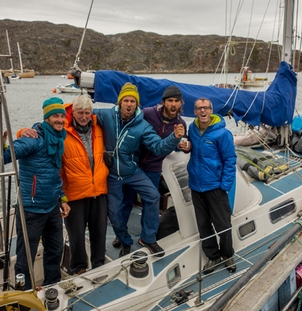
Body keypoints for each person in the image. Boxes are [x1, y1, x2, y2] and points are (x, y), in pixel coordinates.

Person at [18, 95, 109, 275]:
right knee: (76, 236)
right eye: (80, 113)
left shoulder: (99, 126)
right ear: (72, 113)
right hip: (74, 191)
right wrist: (21, 132)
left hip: (98, 189)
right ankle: (79, 268)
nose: (84, 116)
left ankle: (99, 266)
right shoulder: (61, 130)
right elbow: (40, 130)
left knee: (100, 232)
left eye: (87, 113)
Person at [94, 82, 185, 257]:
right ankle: (124, 239)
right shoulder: (107, 115)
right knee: (116, 211)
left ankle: (148, 238)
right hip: (114, 174)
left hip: (139, 170)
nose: (129, 104)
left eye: (133, 101)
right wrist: (42, 127)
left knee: (152, 197)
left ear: (137, 104)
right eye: (126, 100)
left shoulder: (144, 124)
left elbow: (159, 147)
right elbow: (81, 115)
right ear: (120, 102)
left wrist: (176, 138)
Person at [0, 97, 71, 289]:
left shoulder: (59, 139)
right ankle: (22, 293)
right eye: (55, 116)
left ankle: (52, 287)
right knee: (25, 258)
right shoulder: (33, 139)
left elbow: (54, 173)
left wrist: (62, 198)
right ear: (47, 118)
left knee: (55, 251)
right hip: (31, 210)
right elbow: (4, 158)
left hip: (52, 207)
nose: (59, 119)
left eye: (62, 116)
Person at [183, 97, 237, 274]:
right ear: (195, 112)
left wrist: (224, 186)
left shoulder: (222, 134)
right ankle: (213, 256)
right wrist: (185, 146)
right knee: (203, 225)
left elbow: (230, 160)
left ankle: (228, 255)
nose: (203, 111)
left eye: (206, 108)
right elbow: (192, 148)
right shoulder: (192, 128)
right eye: (199, 108)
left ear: (211, 110)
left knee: (223, 224)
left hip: (215, 187)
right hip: (196, 186)